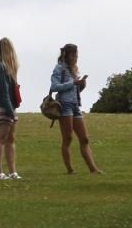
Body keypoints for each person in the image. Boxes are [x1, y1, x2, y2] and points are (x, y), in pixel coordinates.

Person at [50, 44, 102, 174]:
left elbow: (75, 89)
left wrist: (81, 85)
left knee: (84, 138)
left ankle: (93, 169)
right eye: (73, 55)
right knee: (68, 138)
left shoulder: (75, 69)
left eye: (76, 55)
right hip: (65, 104)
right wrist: (73, 83)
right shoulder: (59, 68)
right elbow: (54, 86)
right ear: (66, 55)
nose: (75, 58)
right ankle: (70, 169)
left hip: (75, 105)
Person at [0, 38, 21, 180]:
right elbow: (3, 92)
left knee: (10, 139)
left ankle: (13, 171)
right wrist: (10, 111)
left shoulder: (6, 66)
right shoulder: (0, 67)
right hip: (3, 107)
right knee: (1, 139)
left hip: (9, 107)